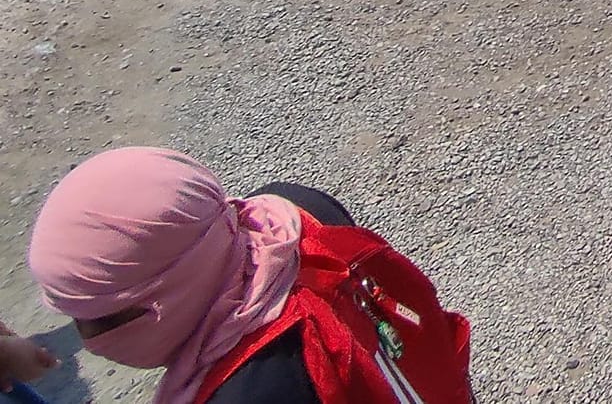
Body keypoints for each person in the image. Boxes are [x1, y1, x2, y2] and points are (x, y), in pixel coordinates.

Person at [27, 145, 472, 404]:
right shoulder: (288, 209)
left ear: (177, 287)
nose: (88, 342)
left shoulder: (246, 392)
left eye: (103, 320)